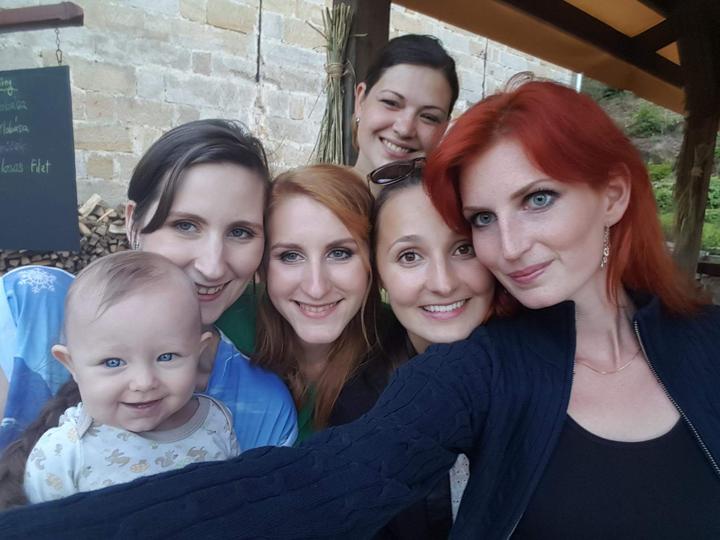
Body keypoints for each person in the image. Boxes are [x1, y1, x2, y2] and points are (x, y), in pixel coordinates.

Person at [3, 81, 719, 540]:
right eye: (484, 218)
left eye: (537, 199)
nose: (509, 243)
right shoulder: (478, 369)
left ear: (614, 195)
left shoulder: (704, 346)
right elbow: (323, 481)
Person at [0, 119, 297, 455]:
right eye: (185, 225)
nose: (212, 266)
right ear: (133, 224)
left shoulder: (263, 408)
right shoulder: (29, 308)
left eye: (240, 232)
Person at [330, 160, 495, 538]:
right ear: (378, 276)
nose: (442, 283)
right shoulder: (359, 405)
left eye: (464, 248)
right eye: (409, 256)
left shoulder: (548, 379)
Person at [19, 251, 238, 504]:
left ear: (198, 353)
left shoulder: (216, 422)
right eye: (113, 362)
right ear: (72, 365)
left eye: (166, 357)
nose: (144, 382)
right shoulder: (61, 455)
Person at [254, 165, 378, 442]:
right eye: (290, 256)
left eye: (339, 253)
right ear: (260, 266)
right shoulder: (224, 339)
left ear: (372, 259)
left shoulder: (405, 354)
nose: (316, 288)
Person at [352, 34, 459, 186]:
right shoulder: (317, 196)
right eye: (391, 102)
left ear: (443, 129)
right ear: (360, 100)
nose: (405, 130)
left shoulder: (452, 200)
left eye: (429, 117)